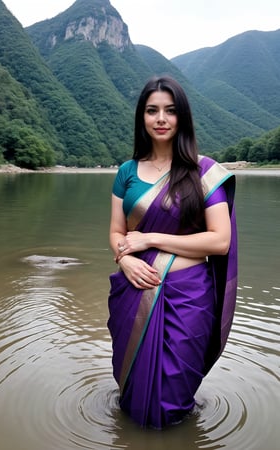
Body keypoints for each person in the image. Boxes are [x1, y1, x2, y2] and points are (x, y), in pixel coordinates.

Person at [107, 75, 237, 429]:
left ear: (183, 118)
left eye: (170, 110)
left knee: (174, 396)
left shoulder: (203, 172)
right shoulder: (127, 172)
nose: (161, 118)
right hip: (134, 291)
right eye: (152, 111)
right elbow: (117, 232)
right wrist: (127, 259)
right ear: (142, 117)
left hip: (189, 297)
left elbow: (218, 241)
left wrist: (149, 240)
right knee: (133, 388)